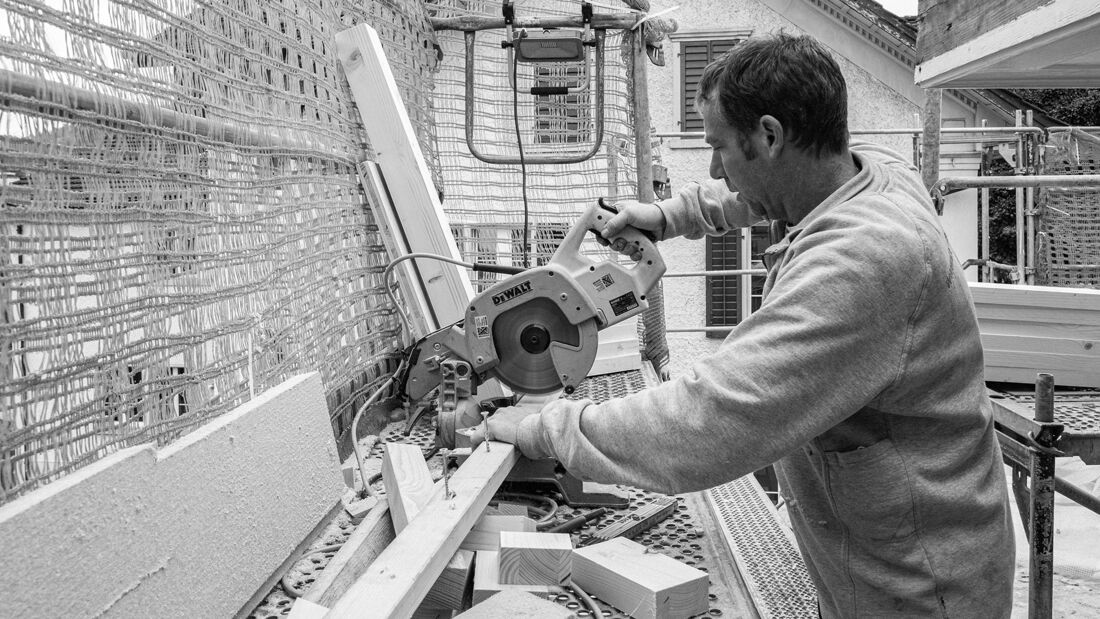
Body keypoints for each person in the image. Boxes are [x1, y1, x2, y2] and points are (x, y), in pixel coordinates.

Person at [479, 33, 1014, 617]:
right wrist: (666, 216)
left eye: (719, 147)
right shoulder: (864, 172)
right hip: (884, 545)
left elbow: (710, 420)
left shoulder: (865, 262)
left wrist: (543, 426)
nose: (714, 166)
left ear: (769, 135)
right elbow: (748, 195)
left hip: (919, 584)